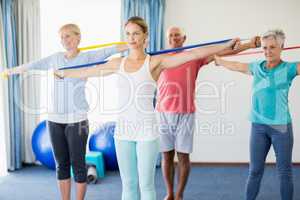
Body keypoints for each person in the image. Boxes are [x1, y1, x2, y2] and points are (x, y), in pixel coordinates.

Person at [54, 16, 240, 200]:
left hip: (147, 132)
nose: (131, 38)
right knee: (128, 185)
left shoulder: (155, 62)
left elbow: (194, 54)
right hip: (123, 132)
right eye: (128, 34)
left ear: (145, 37)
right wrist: (63, 73)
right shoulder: (118, 63)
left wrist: (225, 45)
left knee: (146, 185)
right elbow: (86, 72)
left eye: (136, 34)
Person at [1, 23, 128, 200]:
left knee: (78, 164)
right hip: (54, 119)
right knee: (61, 164)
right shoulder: (55, 58)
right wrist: (10, 71)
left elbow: (110, 50)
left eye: (68, 36)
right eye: (62, 37)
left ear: (78, 38)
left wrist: (131, 43)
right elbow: (33, 65)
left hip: (77, 119)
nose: (65, 40)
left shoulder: (87, 57)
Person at [156, 26, 261, 200]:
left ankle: (180, 195)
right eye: (171, 36)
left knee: (183, 156)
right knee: (166, 155)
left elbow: (227, 51)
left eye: (177, 36)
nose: (174, 38)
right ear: (167, 39)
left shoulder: (194, 57)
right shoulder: (159, 58)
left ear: (184, 38)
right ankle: (169, 193)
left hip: (186, 112)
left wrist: (250, 44)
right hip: (162, 113)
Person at [214, 29, 299, 200]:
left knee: (284, 172)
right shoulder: (256, 67)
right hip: (258, 126)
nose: (268, 51)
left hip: (280, 127)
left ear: (282, 47)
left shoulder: (289, 68)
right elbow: (237, 66)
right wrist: (219, 61)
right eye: (265, 48)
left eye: (273, 47)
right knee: (254, 171)